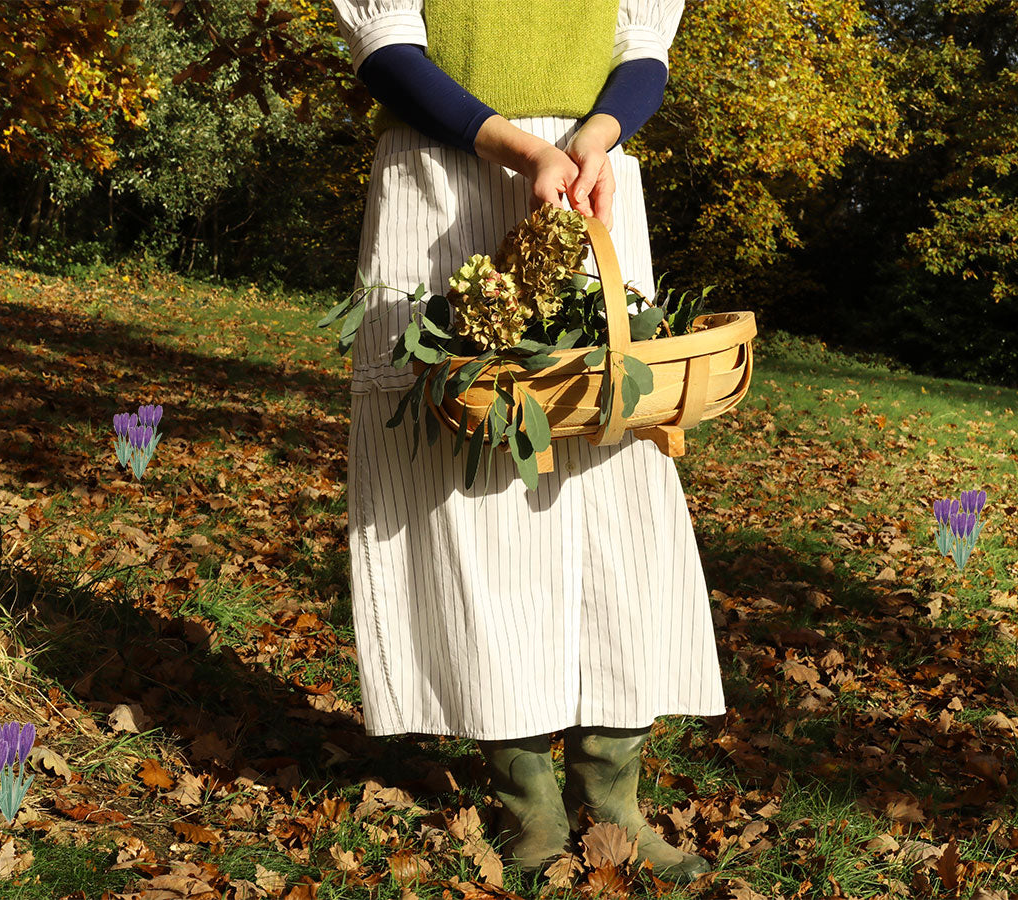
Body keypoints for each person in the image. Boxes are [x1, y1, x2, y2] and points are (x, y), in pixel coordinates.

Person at [327, 0, 726, 884]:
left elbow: (642, 47)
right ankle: (529, 803)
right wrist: (525, 148)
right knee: (465, 484)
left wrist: (596, 134)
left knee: (614, 481)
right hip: (443, 184)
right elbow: (387, 51)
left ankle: (613, 793)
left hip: (590, 187)